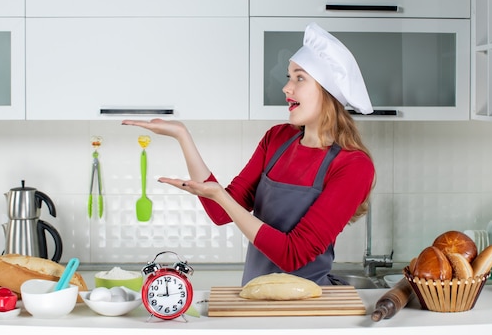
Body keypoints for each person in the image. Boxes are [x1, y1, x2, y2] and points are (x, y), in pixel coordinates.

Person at [122, 23, 376, 286]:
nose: (287, 88)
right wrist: (182, 136)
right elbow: (221, 212)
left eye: (299, 78)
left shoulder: (353, 166)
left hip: (308, 306)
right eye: (289, 77)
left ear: (327, 90)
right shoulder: (277, 139)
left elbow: (293, 254)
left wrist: (220, 195)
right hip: (253, 296)